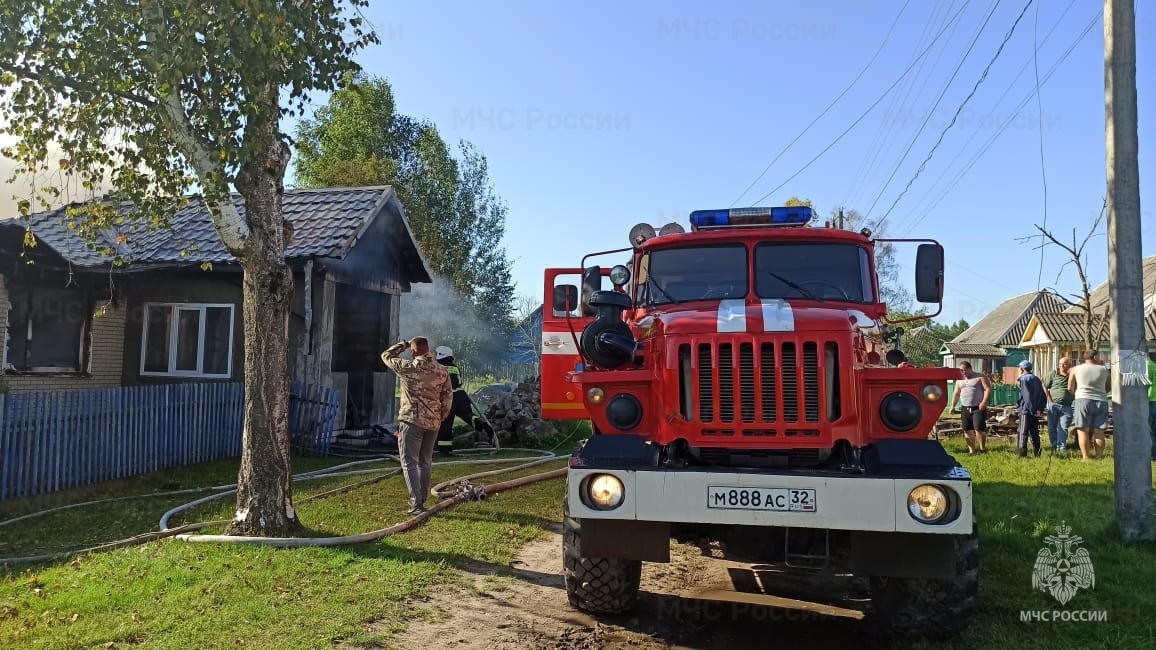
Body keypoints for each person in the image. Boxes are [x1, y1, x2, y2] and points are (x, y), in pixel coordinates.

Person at [381, 336, 453, 514]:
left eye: (411, 349)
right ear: (428, 349)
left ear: (413, 350)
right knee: (425, 461)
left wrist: (403, 345)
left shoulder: (408, 367)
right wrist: (440, 417)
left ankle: (416, 503)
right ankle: (422, 498)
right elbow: (448, 398)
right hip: (433, 423)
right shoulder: (442, 370)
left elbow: (385, 356)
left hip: (411, 421)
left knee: (409, 462)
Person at [434, 346, 496, 456]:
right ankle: (483, 426)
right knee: (469, 416)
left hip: (449, 397)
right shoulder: (454, 367)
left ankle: (444, 450)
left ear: (440, 355)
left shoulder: (438, 367)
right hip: (461, 395)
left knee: (445, 424)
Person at [1069, 350, 1111, 461]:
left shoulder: (1075, 369)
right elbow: (1109, 386)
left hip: (1082, 399)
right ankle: (1098, 457)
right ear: (1095, 357)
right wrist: (1102, 392)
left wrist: (1076, 394)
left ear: (1084, 358)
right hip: (1101, 400)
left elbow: (1070, 387)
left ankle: (1085, 457)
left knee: (1083, 430)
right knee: (1099, 431)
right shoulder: (1104, 369)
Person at [951, 361, 991, 454]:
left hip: (978, 407)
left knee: (979, 429)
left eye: (963, 370)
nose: (962, 372)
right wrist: (953, 406)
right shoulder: (959, 379)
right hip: (965, 407)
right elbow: (956, 393)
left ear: (969, 369)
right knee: (967, 430)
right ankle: (972, 451)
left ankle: (982, 449)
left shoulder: (980, 377)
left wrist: (984, 402)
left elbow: (987, 389)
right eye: (960, 370)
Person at [1015, 360, 1048, 458]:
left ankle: (1021, 454)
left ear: (1022, 369)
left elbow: (1027, 397)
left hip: (1026, 410)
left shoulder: (1024, 379)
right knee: (1034, 432)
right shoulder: (1036, 379)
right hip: (1036, 410)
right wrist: (1040, 409)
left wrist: (1032, 409)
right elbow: (1043, 396)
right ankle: (1037, 453)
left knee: (1022, 432)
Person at [1043, 357, 1075, 453]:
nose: (1061, 366)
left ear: (1070, 365)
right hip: (1053, 404)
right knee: (1052, 427)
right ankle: (1054, 446)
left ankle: (1061, 448)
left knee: (1063, 426)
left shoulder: (1072, 375)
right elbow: (1045, 386)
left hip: (1067, 406)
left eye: (1064, 364)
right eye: (1060, 364)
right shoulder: (1053, 373)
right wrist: (1049, 400)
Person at [1148, 351, 1156, 461]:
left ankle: (1151, 455)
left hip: (1148, 400)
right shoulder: (1154, 366)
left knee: (1148, 430)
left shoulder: (1145, 365)